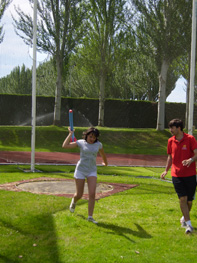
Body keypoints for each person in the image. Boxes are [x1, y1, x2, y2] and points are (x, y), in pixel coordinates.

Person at [62, 127, 108, 224]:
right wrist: (70, 134)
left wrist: (105, 163)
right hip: (80, 171)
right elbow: (65, 146)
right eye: (90, 136)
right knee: (79, 194)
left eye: (94, 137)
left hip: (92, 171)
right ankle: (74, 201)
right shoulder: (81, 142)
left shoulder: (98, 145)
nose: (92, 139)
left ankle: (90, 217)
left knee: (92, 194)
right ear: (86, 135)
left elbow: (103, 154)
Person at [161, 119, 197, 234]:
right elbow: (170, 157)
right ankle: (189, 225)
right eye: (170, 127)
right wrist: (166, 170)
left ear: (179, 128)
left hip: (190, 174)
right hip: (176, 174)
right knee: (182, 198)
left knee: (189, 201)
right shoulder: (170, 141)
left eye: (172, 128)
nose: (170, 130)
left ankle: (184, 218)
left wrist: (191, 160)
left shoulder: (190, 139)